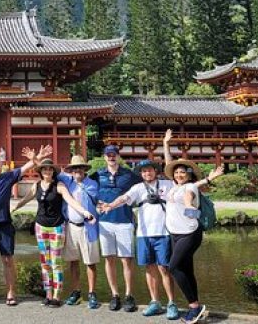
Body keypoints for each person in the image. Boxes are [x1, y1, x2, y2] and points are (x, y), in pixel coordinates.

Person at [0, 144, 53, 306]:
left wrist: (39, 157)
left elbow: (28, 166)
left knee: (8, 259)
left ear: (2, 166)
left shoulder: (8, 177)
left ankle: (11, 293)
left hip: (5, 224)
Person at [101, 159, 179, 319]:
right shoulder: (137, 188)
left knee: (164, 269)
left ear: (156, 171)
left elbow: (174, 170)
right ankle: (155, 302)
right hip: (143, 234)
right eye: (143, 171)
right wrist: (110, 205)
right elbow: (124, 198)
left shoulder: (167, 184)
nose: (147, 173)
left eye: (150, 170)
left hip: (163, 233)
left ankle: (171, 303)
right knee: (149, 268)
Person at [13, 158, 95, 307]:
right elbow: (25, 199)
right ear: (41, 171)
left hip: (57, 227)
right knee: (45, 263)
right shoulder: (36, 186)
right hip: (40, 226)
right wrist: (13, 208)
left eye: (50, 169)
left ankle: (57, 295)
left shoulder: (59, 185)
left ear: (53, 171)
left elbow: (70, 200)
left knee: (56, 263)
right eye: (44, 169)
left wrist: (84, 212)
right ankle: (48, 294)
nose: (47, 171)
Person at [163, 129, 225, 323]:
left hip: (189, 233)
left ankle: (194, 307)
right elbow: (168, 163)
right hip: (175, 234)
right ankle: (196, 306)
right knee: (186, 269)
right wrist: (166, 144)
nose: (179, 174)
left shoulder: (189, 188)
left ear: (188, 176)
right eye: (177, 172)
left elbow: (189, 198)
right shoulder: (174, 187)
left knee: (173, 267)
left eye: (183, 172)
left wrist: (190, 207)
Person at [93, 144, 140, 312]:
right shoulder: (97, 174)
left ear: (119, 156)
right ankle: (115, 295)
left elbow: (143, 188)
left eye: (114, 154)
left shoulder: (129, 175)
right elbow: (88, 191)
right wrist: (96, 204)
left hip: (124, 221)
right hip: (104, 222)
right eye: (108, 155)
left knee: (126, 259)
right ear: (104, 157)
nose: (111, 157)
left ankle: (129, 295)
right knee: (109, 258)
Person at [57, 154, 102, 309]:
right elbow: (50, 171)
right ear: (71, 170)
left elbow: (98, 201)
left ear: (84, 169)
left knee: (90, 262)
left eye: (80, 168)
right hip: (70, 226)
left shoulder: (92, 184)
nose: (78, 171)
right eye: (75, 168)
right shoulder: (67, 182)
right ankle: (76, 291)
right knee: (73, 261)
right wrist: (36, 158)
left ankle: (92, 293)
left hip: (87, 227)